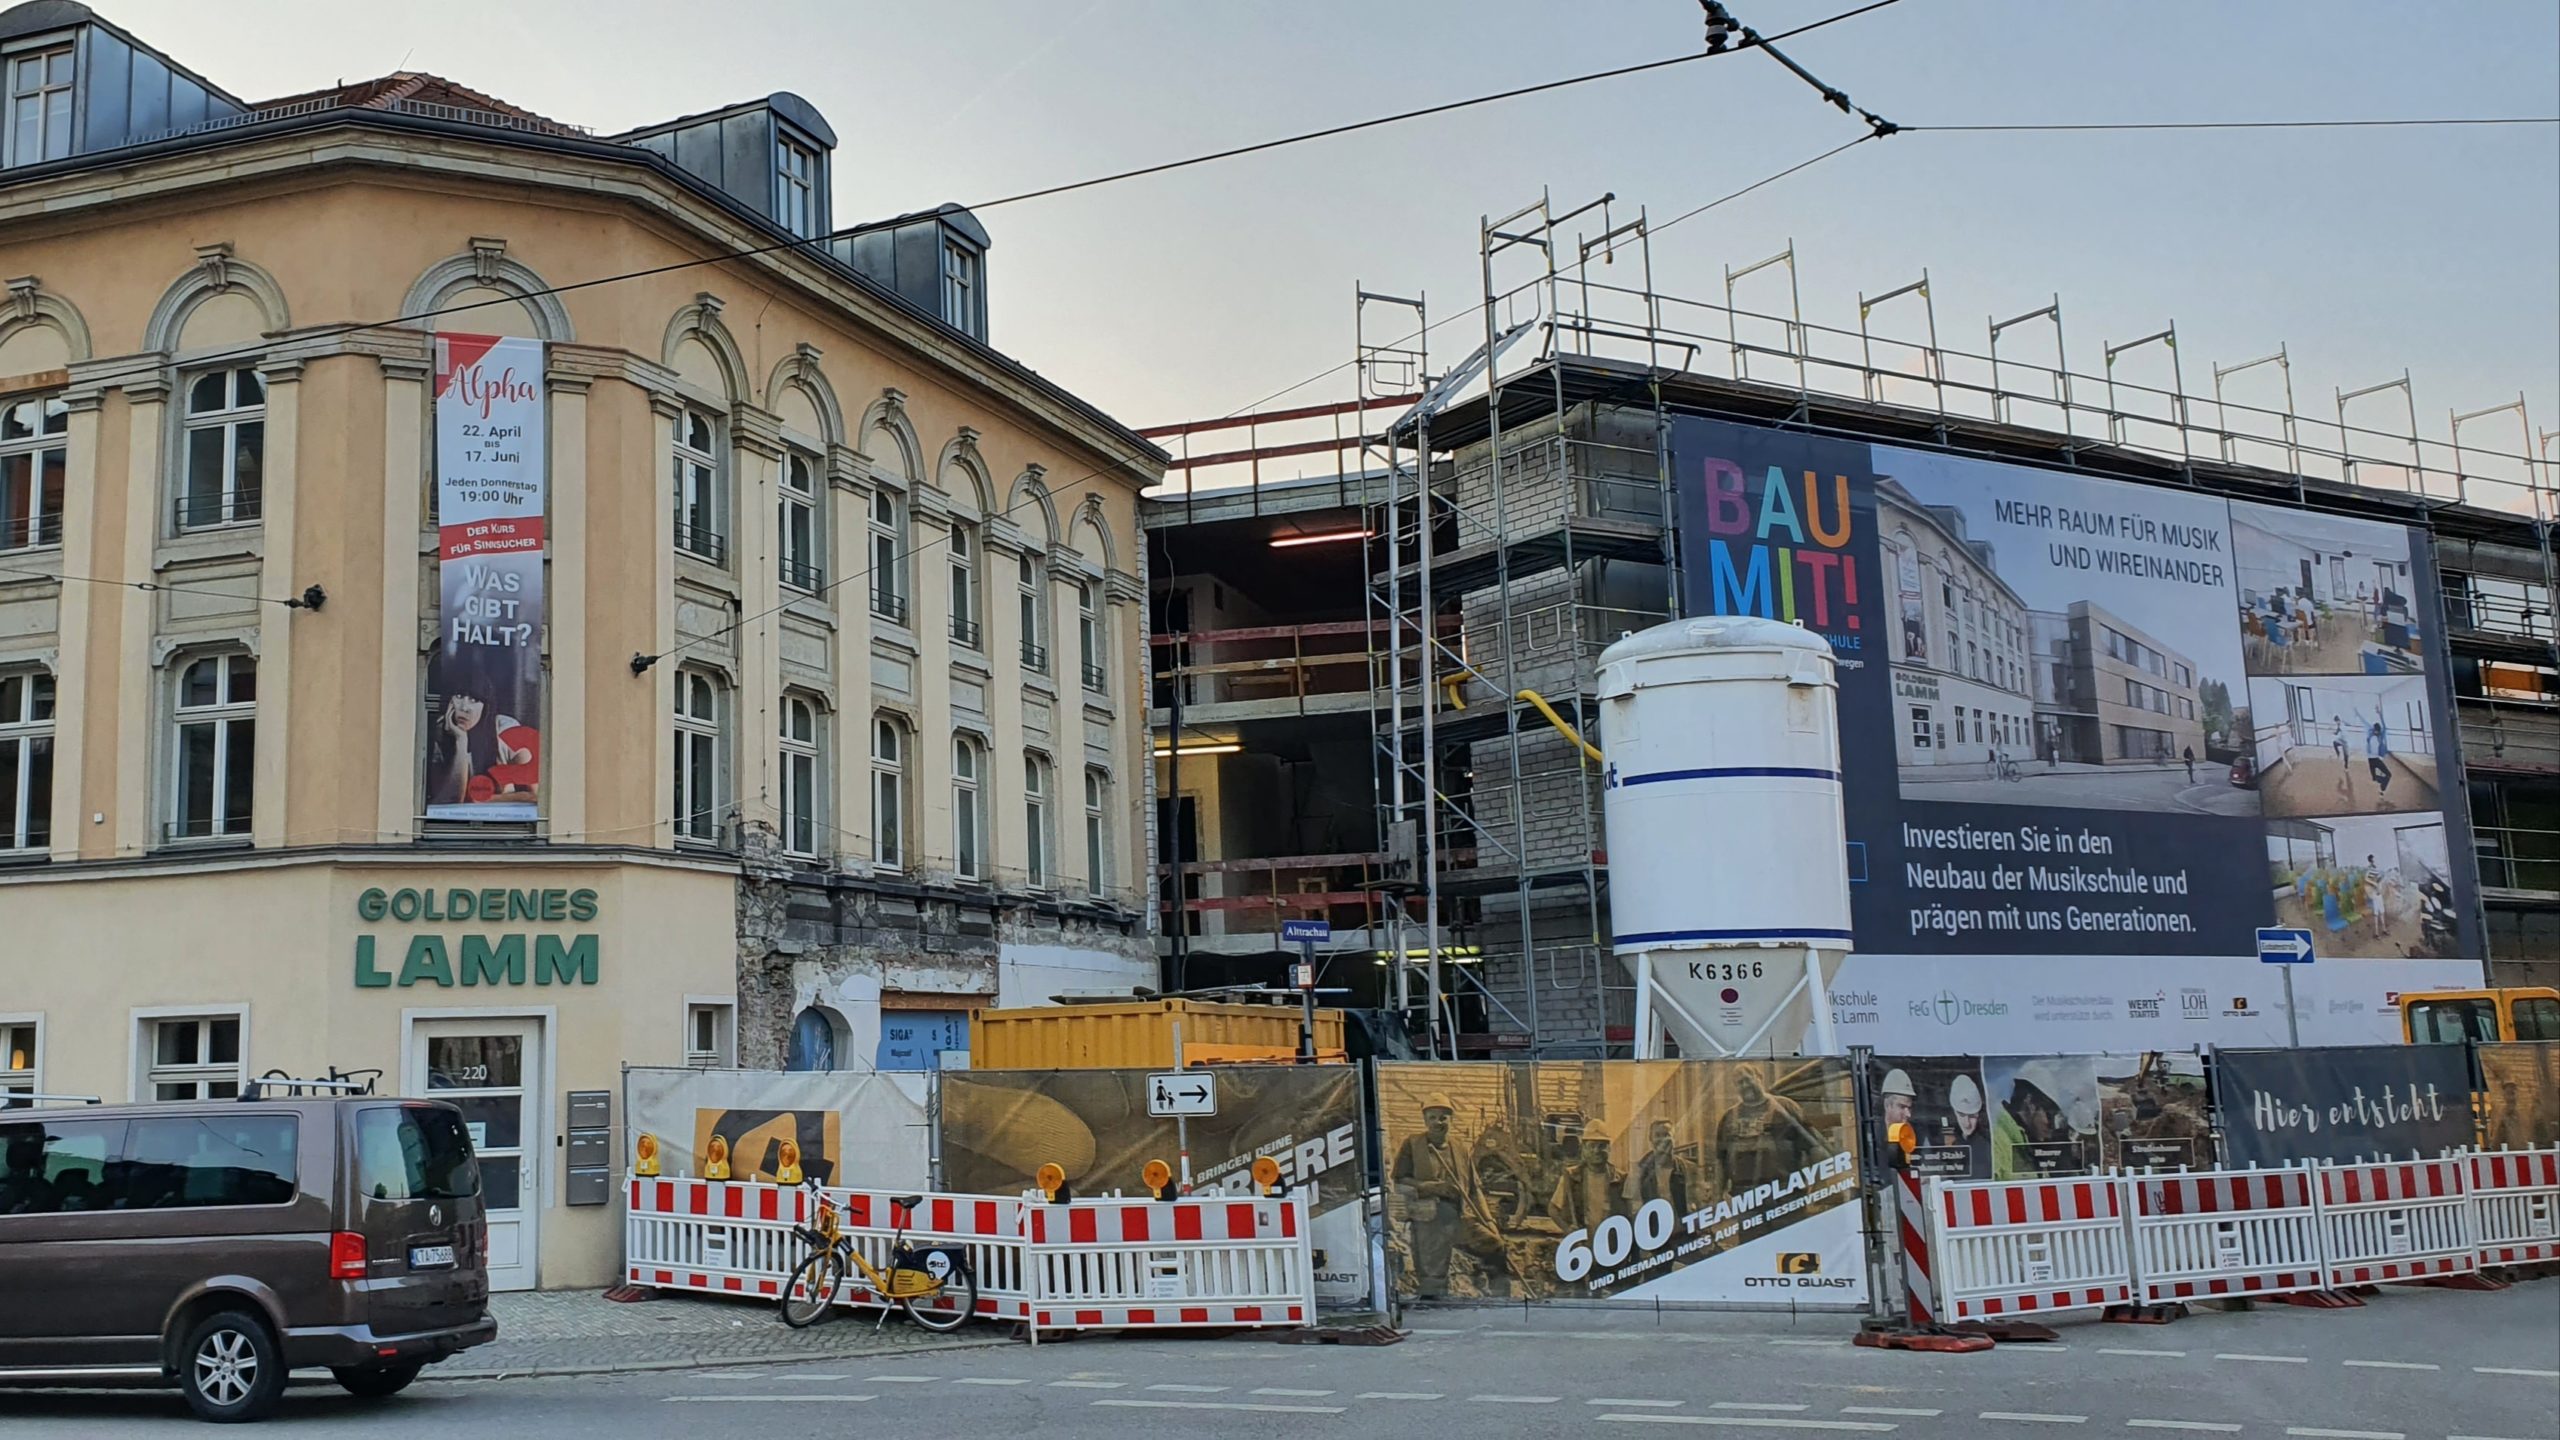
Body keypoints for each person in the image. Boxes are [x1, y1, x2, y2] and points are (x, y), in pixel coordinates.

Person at [1392, 1095, 1471, 1300]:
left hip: (1458, 1213)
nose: (1438, 1122)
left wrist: (1487, 1220)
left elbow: (1474, 1186)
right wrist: (1430, 1188)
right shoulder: (1413, 1144)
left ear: (1451, 1120)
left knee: (1491, 1245)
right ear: (1425, 1120)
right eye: (1433, 1117)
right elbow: (1400, 1179)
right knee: (1430, 1259)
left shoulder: (1460, 1148)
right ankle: (1432, 1300)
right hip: (1427, 1212)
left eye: (1443, 1118)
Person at [1714, 1067, 1827, 1194]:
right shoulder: (1728, 1118)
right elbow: (1720, 1160)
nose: (1745, 1085)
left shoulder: (1785, 1108)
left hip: (1785, 1193)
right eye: (1739, 1083)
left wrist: (1817, 1186)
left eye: (1747, 1079)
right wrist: (1718, 1196)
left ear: (1759, 1077)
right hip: (1744, 1199)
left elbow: (1815, 1148)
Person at [1550, 1125, 1624, 1231]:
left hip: (1610, 1241)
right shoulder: (1572, 1177)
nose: (1596, 1150)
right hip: (1583, 1242)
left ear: (1609, 1148)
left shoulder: (1619, 1179)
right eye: (1592, 1146)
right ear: (1583, 1148)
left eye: (1602, 1146)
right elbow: (1553, 1210)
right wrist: (1568, 1230)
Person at [1624, 1119, 1698, 1216]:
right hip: (1653, 1229)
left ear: (1674, 1138)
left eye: (1666, 1135)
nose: (1662, 1140)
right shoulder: (1638, 1171)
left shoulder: (1689, 1168)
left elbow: (1700, 1202)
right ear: (1650, 1139)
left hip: (1683, 1229)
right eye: (1658, 1135)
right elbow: (1632, 1209)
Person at [1948, 1074, 1992, 1175]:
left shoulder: (1988, 1144)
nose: (1967, 1123)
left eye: (1972, 1116)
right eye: (1961, 1115)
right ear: (1954, 1112)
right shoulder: (1950, 1143)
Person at [2366, 721, 2394, 798]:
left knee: (2375, 778)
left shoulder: (2373, 736)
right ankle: (2382, 787)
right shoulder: (2375, 736)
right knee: (2388, 775)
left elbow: (2384, 728)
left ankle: (2382, 789)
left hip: (2371, 760)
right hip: (2375, 759)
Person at [2363, 855, 2388, 938]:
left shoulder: (2377, 869)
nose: (2375, 861)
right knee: (2376, 913)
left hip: (2379, 893)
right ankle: (2376, 933)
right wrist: (2374, 883)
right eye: (2374, 860)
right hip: (2374, 893)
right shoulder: (2369, 869)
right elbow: (2366, 879)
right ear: (2371, 861)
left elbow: (2379, 879)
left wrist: (2379, 882)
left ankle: (2384, 930)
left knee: (2382, 912)